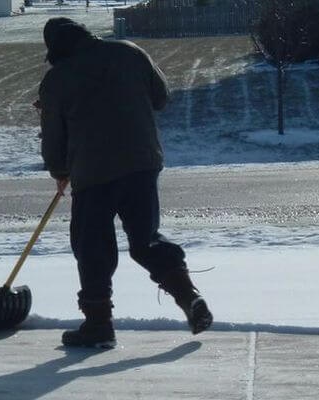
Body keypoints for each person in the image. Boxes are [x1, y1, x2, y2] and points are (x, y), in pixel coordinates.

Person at [37, 17, 213, 348]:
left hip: (93, 174)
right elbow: (160, 98)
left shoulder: (56, 80)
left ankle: (98, 325)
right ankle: (188, 296)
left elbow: (53, 137)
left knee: (92, 249)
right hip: (142, 164)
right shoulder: (130, 52)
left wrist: (59, 171)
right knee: (145, 240)